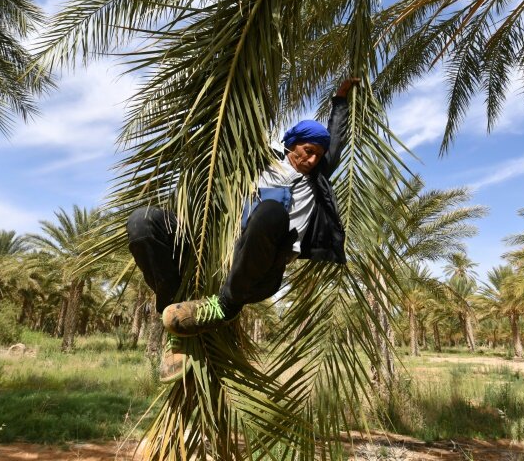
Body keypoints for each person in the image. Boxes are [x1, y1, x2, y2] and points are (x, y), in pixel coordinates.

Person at [126, 78, 359, 381]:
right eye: (307, 150)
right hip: (217, 245)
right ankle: (176, 317)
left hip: (260, 271)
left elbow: (336, 141)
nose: (312, 159)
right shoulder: (258, 161)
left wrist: (340, 101)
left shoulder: (316, 177)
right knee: (142, 222)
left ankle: (224, 306)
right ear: (292, 145)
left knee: (272, 211)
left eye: (318, 155)